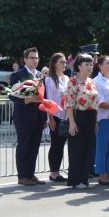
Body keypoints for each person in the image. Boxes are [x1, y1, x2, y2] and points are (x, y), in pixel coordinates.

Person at [9, 47, 47, 186]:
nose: (35, 60)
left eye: (37, 58)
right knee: (24, 146)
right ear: (25, 59)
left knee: (34, 147)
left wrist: (44, 118)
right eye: (32, 58)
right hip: (23, 117)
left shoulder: (40, 75)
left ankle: (31, 174)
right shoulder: (18, 74)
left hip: (38, 117)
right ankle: (22, 176)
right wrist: (25, 100)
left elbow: (43, 97)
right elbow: (11, 95)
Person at [65, 54, 99, 189]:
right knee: (77, 149)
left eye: (91, 64)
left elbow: (95, 102)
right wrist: (72, 122)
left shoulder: (91, 81)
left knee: (89, 148)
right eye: (86, 64)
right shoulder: (72, 81)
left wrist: (95, 121)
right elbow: (69, 104)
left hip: (91, 116)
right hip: (78, 115)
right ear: (79, 66)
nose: (90, 67)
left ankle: (84, 179)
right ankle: (75, 179)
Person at [44, 53, 69, 182]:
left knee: (61, 145)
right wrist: (51, 118)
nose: (64, 64)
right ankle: (53, 172)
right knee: (55, 145)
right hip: (55, 115)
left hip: (66, 115)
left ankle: (58, 171)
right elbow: (48, 99)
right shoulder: (49, 80)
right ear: (54, 64)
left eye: (65, 62)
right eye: (61, 62)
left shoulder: (67, 79)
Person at [93, 55, 109, 185]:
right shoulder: (96, 81)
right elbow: (100, 102)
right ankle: (101, 174)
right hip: (103, 118)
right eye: (107, 63)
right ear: (100, 66)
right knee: (102, 146)